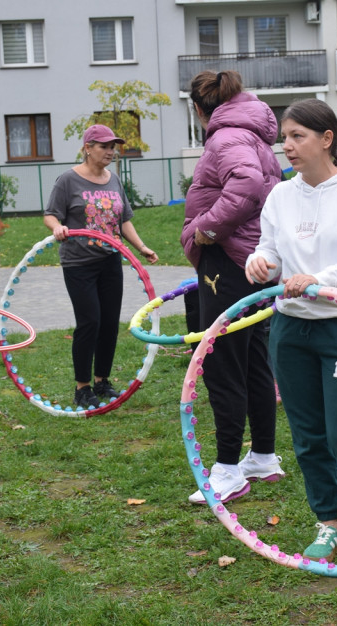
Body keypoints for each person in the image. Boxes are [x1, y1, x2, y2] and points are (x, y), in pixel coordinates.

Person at [245, 98, 337, 563]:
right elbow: (268, 252)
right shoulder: (281, 196)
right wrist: (260, 262)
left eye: (297, 136)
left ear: (327, 139)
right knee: (308, 435)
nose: (285, 146)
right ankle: (329, 524)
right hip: (291, 331)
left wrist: (321, 280)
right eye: (284, 137)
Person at [182, 70, 286, 505]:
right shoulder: (253, 133)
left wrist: (205, 229)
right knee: (253, 358)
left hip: (227, 261)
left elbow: (245, 185)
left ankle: (226, 470)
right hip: (252, 258)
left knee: (223, 360)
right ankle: (261, 455)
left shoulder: (225, 137)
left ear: (199, 107)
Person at [43, 124, 158, 409]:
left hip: (110, 260)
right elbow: (50, 215)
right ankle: (82, 388)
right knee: (90, 321)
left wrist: (140, 246)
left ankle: (102, 381)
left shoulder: (113, 180)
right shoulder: (68, 180)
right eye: (105, 146)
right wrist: (58, 227)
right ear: (88, 148)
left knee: (109, 323)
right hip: (79, 262)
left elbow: (124, 220)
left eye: (113, 146)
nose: (111, 151)